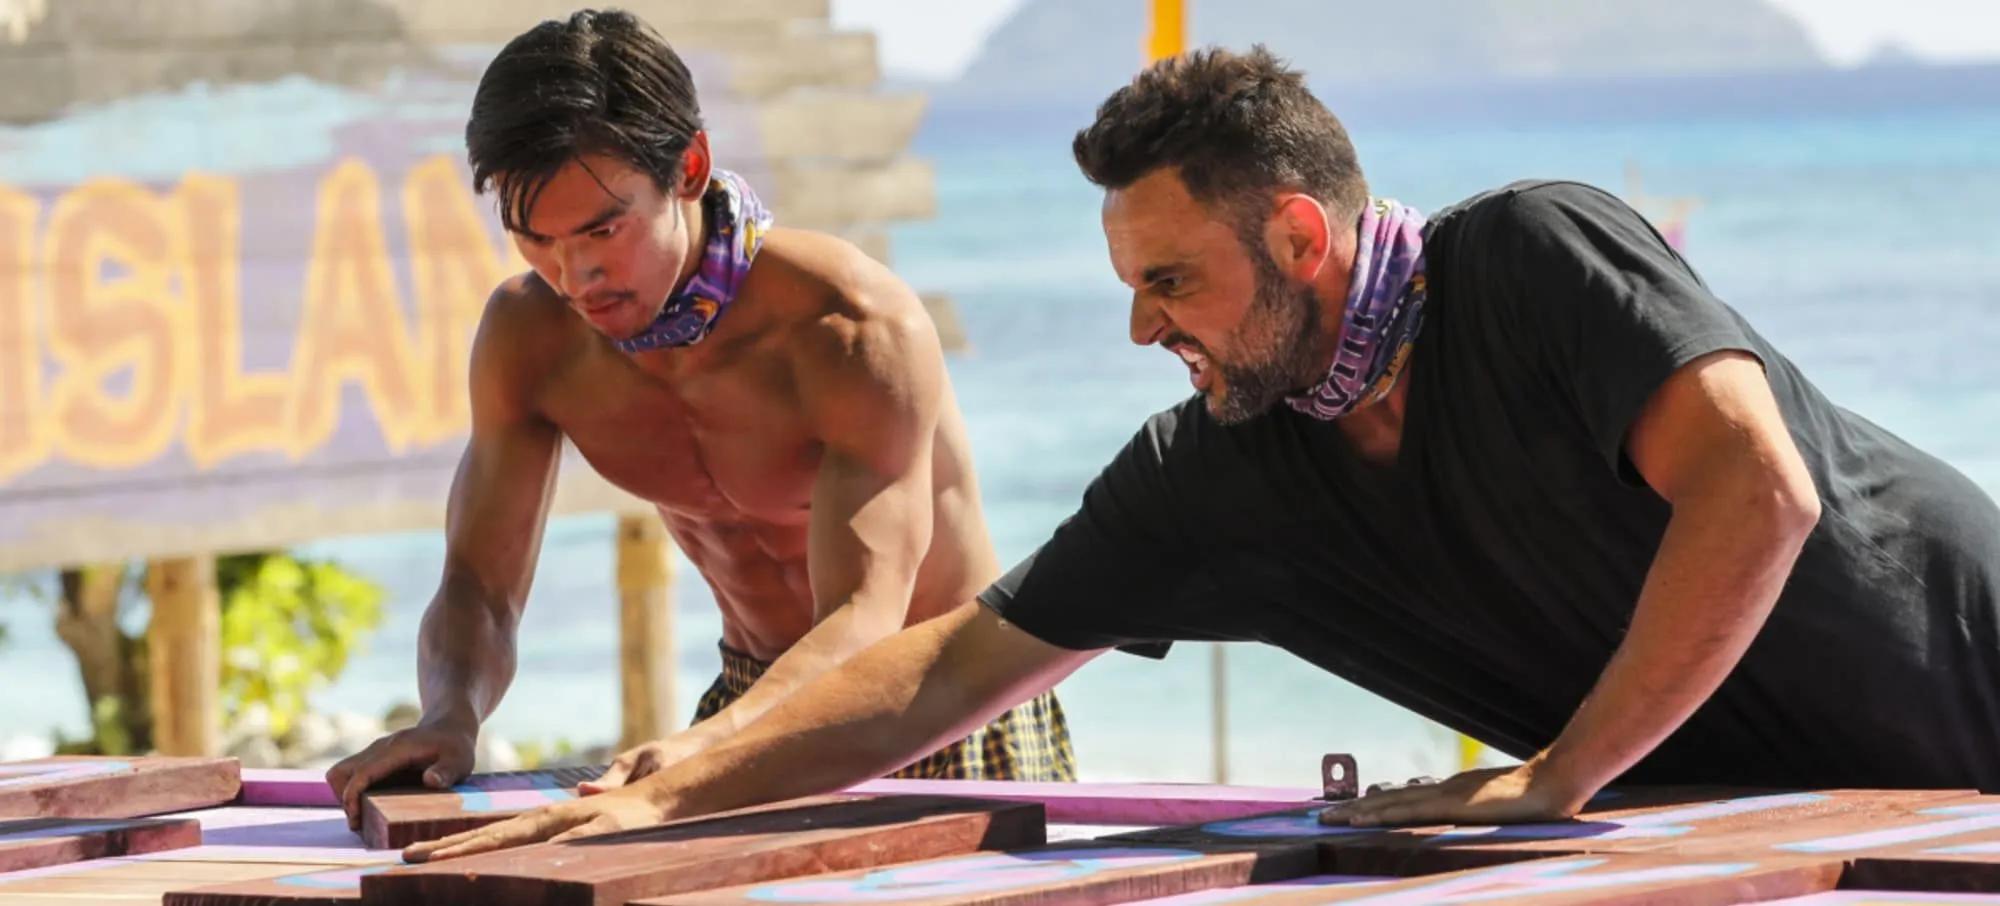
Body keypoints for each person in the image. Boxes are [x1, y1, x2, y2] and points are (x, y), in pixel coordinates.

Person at [394, 44, 2000, 862]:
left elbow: (1757, 486)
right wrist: (663, 791)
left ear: (1299, 235)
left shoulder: (1528, 254)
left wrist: (1560, 772)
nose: (1140, 326)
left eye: (1171, 281)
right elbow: (945, 669)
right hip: (1819, 821)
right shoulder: (1217, 472)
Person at [323, 8, 1079, 830]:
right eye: (534, 238)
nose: (574, 274)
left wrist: (712, 745)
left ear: (688, 167)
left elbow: (866, 615)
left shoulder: (852, 328)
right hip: (747, 696)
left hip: (938, 705)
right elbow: (479, 582)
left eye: (603, 229)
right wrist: (451, 715)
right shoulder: (529, 337)